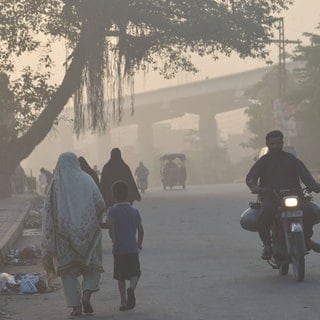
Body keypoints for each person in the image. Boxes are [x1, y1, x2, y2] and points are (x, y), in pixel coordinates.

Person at [41, 152, 106, 316]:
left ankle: (76, 306)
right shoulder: (87, 179)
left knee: (67, 272)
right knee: (92, 267)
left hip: (64, 237)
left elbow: (48, 211)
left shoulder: (55, 183)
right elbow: (100, 204)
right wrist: (90, 221)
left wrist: (49, 236)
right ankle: (87, 292)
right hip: (89, 233)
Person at [246, 130, 320, 260]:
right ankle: (267, 245)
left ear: (282, 143)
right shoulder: (263, 161)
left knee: (309, 211)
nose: (275, 146)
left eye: (278, 143)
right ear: (267, 144)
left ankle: (307, 239)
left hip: (294, 196)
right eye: (272, 144)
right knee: (266, 212)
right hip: (271, 197)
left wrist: (315, 186)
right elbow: (251, 177)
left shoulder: (291, 159)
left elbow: (305, 176)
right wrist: (255, 187)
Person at [105, 180, 144, 311]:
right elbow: (141, 230)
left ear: (113, 195)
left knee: (120, 276)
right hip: (132, 249)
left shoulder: (111, 211)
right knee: (135, 273)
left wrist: (113, 238)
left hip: (118, 249)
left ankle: (123, 302)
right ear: (127, 194)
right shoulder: (134, 211)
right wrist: (138, 244)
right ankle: (131, 288)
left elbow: (109, 228)